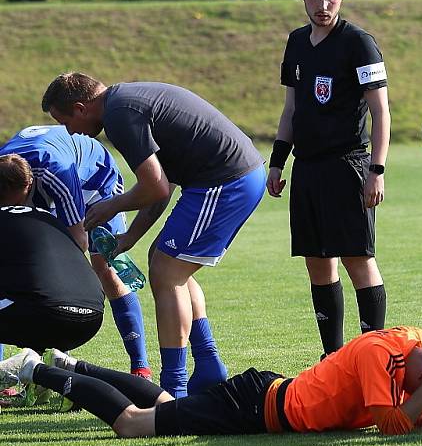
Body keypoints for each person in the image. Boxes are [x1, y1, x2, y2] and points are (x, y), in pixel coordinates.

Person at [42, 73, 267, 399]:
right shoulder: (125, 101)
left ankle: (173, 389)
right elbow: (163, 185)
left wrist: (111, 207)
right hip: (228, 176)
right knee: (166, 262)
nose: (71, 132)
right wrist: (129, 238)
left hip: (226, 180)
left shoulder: (119, 115)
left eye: (65, 122)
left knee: (167, 270)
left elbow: (155, 187)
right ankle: (208, 367)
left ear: (80, 108)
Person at [7, 326, 422, 438]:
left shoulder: (416, 343)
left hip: (264, 395)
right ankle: (33, 368)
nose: (408, 396)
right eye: (418, 387)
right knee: (133, 425)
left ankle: (74, 368)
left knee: (167, 403)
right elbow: (393, 424)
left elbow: (408, 411)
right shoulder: (381, 354)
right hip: (255, 407)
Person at [267, 0, 391, 359]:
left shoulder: (359, 43)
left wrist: (377, 170)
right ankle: (333, 358)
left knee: (358, 258)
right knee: (317, 263)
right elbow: (291, 109)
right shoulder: (296, 43)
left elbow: (381, 112)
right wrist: (277, 161)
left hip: (348, 165)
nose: (323, 5)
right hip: (306, 168)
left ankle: (375, 356)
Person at [0, 126, 151, 379]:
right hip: (43, 174)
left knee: (105, 269)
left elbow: (77, 241)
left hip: (93, 183)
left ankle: (140, 366)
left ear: (29, 184)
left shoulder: (56, 173)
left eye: (13, 202)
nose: (10, 208)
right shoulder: (6, 174)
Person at [0, 154, 104, 357]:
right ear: (28, 186)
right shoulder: (48, 217)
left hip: (44, 316)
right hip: (90, 319)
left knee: (31, 302)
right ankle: (42, 378)